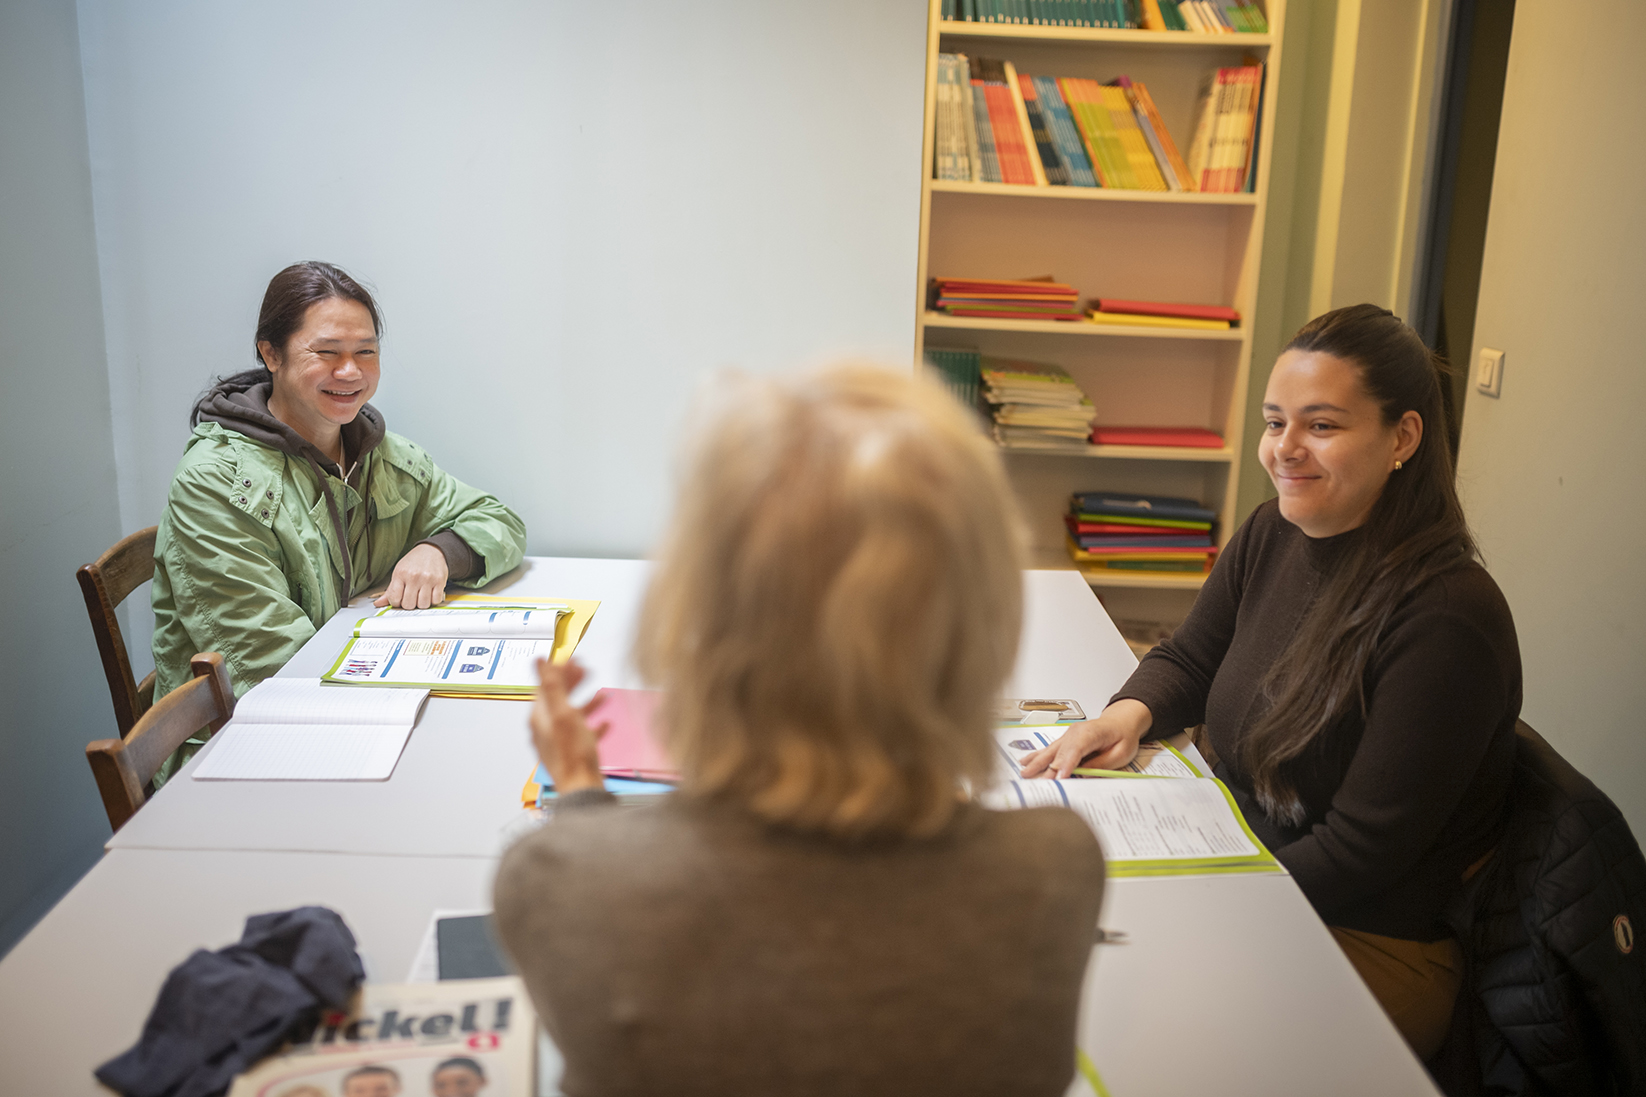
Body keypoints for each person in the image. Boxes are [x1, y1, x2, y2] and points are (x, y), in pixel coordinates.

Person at [493, 365, 1105, 1097]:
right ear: (982, 621)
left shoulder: (558, 879)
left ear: (693, 610)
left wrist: (585, 804)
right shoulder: (1053, 872)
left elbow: (619, 909)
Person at [1021, 304, 1521, 1060]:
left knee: (1110, 1025)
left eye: (1321, 425)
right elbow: (1189, 660)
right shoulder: (1273, 530)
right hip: (1250, 862)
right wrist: (1124, 716)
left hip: (1363, 937)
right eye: (1274, 420)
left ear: (1403, 438)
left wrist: (1193, 904)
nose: (1285, 450)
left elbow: (1358, 853)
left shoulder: (1447, 617)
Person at [150, 261, 527, 777]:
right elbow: (275, 667)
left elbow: (498, 520)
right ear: (271, 353)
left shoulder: (376, 453)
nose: (350, 372)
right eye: (327, 353)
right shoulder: (215, 483)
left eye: (365, 353)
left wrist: (439, 550)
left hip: (351, 712)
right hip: (246, 752)